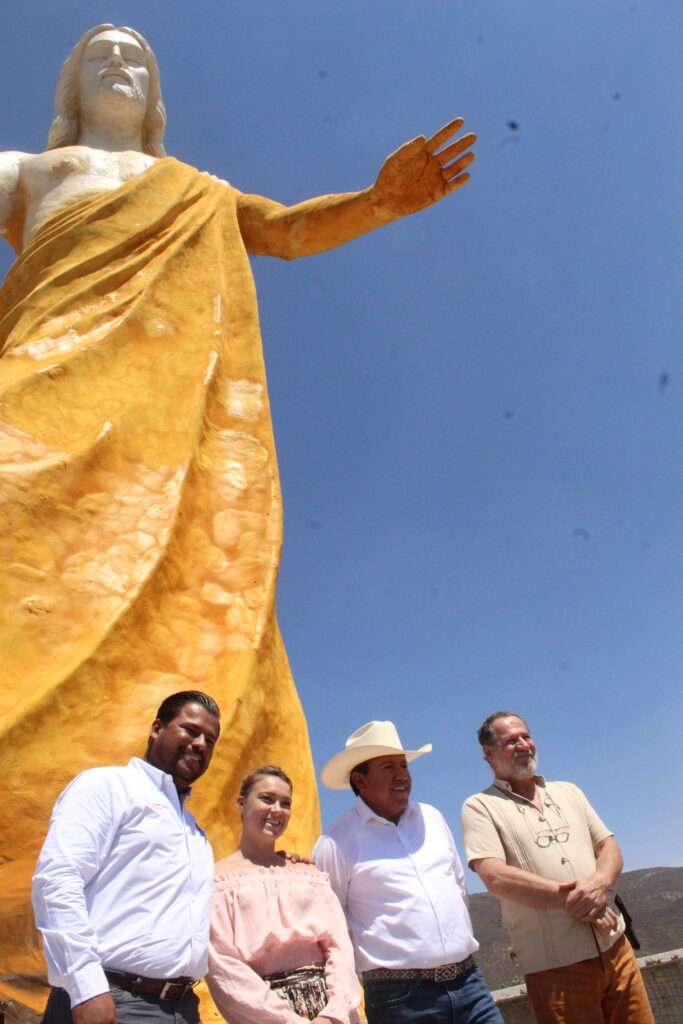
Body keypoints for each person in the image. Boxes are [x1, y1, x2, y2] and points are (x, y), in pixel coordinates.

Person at [0, 25, 476, 977]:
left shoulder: (200, 193)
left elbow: (290, 231)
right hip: (37, 403)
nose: (122, 67)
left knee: (185, 620)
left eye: (138, 56)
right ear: (70, 84)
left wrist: (381, 201)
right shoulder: (25, 170)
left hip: (166, 436)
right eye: (101, 55)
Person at [32, 690, 221, 1024]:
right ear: (157, 728)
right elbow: (58, 881)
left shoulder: (193, 830)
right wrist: (86, 988)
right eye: (190, 731)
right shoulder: (107, 787)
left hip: (182, 1008)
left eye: (210, 739)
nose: (201, 744)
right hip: (113, 1001)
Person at [461, 712, 654, 1024]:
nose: (523, 744)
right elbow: (494, 876)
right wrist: (577, 898)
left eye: (526, 736)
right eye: (511, 741)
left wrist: (600, 884)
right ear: (488, 752)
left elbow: (609, 847)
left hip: (618, 949)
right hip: (556, 969)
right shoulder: (479, 807)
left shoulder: (569, 791)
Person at [313, 721, 503, 1024]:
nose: (402, 775)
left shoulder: (433, 817)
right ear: (360, 782)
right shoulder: (335, 843)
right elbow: (330, 928)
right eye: (388, 767)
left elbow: (458, 887)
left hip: (470, 984)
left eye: (403, 765)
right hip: (399, 1001)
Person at [206, 764, 361, 1024]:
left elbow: (339, 948)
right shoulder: (218, 882)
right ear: (242, 804)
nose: (276, 810)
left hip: (331, 1012)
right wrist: (288, 1020)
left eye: (285, 803)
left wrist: (333, 1013)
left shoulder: (309, 875)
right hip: (262, 1015)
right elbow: (223, 965)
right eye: (266, 799)